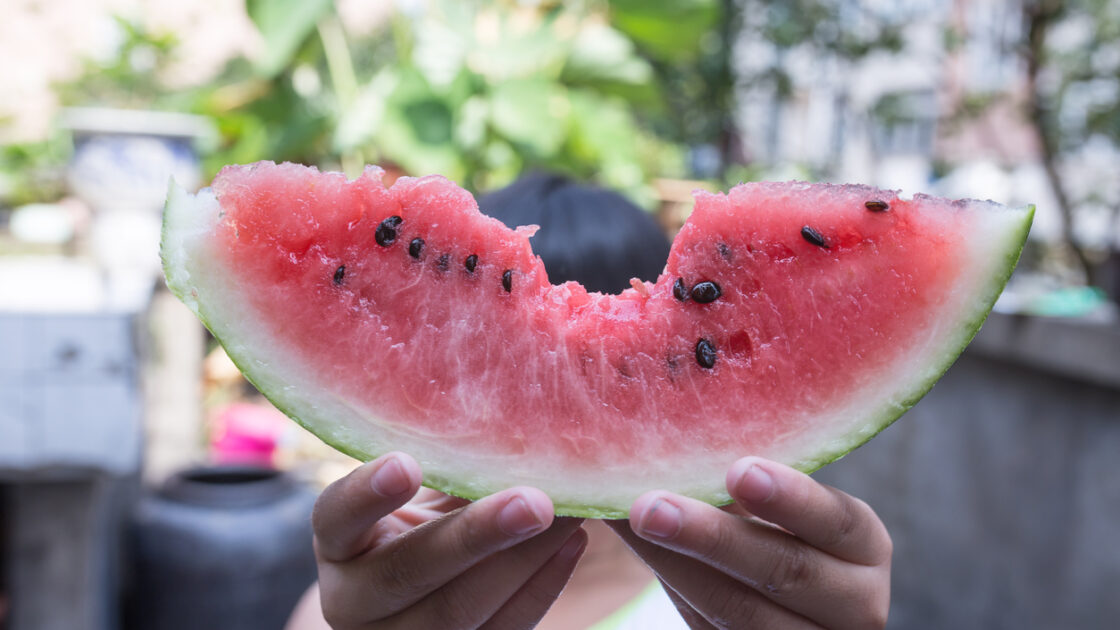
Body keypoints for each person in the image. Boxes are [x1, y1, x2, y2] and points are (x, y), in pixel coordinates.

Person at [287, 174, 892, 629]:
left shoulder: (757, 607)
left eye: (639, 365)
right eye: (511, 352)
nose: (582, 396)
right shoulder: (359, 609)